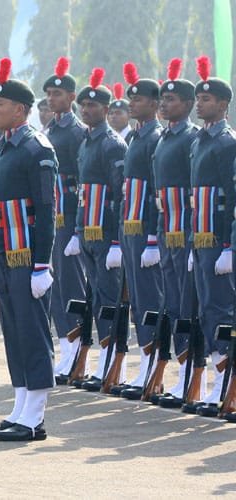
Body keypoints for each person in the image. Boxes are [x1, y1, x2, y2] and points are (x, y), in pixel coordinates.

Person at [0, 58, 57, 441]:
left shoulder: (35, 148)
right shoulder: (1, 148)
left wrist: (42, 264)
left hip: (27, 255)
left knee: (32, 331)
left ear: (20, 110)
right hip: (4, 252)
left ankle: (35, 416)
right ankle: (20, 406)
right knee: (13, 331)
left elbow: (46, 210)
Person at [63, 68, 127, 392]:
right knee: (95, 298)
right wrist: (77, 231)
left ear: (106, 108)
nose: (86, 110)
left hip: (104, 233)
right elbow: (83, 193)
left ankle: (115, 365)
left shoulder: (111, 144)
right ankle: (102, 362)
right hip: (87, 231)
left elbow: (119, 196)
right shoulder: (87, 142)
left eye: (93, 105)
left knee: (108, 298)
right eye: (84, 105)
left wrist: (116, 241)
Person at [186, 56, 236, 417]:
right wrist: (193, 243)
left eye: (206, 99)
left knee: (222, 311)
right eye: (198, 98)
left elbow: (232, 199)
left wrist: (229, 246)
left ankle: (228, 382)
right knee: (206, 310)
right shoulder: (199, 141)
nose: (200, 104)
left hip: (219, 242)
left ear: (223, 104)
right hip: (202, 241)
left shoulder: (227, 143)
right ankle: (220, 380)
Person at [116, 63, 163, 399]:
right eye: (131, 99)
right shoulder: (134, 136)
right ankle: (145, 361)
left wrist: (152, 238)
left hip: (146, 229)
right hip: (130, 228)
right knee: (136, 299)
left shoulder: (155, 138)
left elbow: (157, 192)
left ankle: (154, 364)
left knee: (149, 298)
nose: (132, 104)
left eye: (139, 99)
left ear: (154, 104)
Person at [152, 59, 197, 408]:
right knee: (171, 302)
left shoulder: (190, 139)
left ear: (189, 104)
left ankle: (193, 375)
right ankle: (181, 374)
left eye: (171, 99)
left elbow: (195, 193)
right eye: (162, 99)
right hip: (167, 230)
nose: (164, 104)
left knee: (187, 304)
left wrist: (195, 239)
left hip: (186, 232)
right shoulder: (164, 137)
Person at [42, 57, 87, 382]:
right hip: (54, 218)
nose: (51, 99)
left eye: (57, 94)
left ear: (71, 97)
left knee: (72, 286)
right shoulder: (50, 129)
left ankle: (77, 350)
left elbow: (84, 183)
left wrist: (78, 229)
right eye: (48, 94)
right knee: (56, 287)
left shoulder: (76, 132)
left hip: (70, 216)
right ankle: (65, 347)